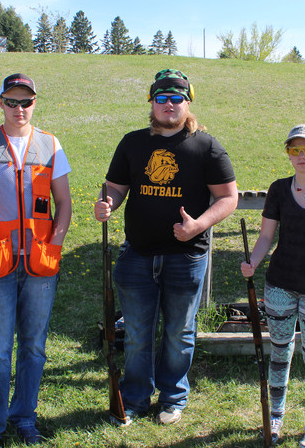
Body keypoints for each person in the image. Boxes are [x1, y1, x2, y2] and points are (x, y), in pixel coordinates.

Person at [94, 69, 238, 427]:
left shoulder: (207, 146)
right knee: (139, 332)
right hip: (138, 254)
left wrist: (199, 225)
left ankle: (173, 397)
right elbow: (114, 187)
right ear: (152, 103)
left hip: (186, 258)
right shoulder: (132, 143)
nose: (169, 104)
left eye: (177, 97)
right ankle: (136, 397)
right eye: (162, 98)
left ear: (188, 102)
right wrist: (107, 203)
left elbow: (228, 197)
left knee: (179, 330)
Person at [0, 73, 72, 447]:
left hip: (40, 265)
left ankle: (25, 418)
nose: (19, 109)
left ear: (35, 103)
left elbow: (64, 204)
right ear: (1, 103)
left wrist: (54, 243)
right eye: (12, 102)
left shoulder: (51, 145)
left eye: (26, 102)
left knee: (34, 348)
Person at [240, 123, 305, 447]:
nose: (301, 156)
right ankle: (275, 416)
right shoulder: (277, 190)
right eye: (294, 150)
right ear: (288, 153)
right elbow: (265, 237)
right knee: (280, 354)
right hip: (280, 286)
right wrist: (253, 263)